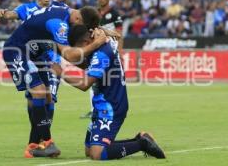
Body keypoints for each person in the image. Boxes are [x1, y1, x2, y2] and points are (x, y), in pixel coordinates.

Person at [2, 4, 105, 158]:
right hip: (17, 51)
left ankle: (34, 145)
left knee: (48, 97)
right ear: (78, 19)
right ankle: (48, 143)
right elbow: (69, 56)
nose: (80, 32)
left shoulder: (67, 12)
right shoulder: (60, 25)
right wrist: (97, 43)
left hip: (38, 53)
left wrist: (104, 32)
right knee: (39, 92)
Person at [51, 24, 166, 160]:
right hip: (101, 106)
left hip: (111, 107)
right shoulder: (99, 47)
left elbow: (84, 84)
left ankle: (142, 144)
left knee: (97, 153)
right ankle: (139, 139)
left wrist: (61, 72)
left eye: (78, 48)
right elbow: (86, 62)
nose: (78, 51)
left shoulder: (101, 53)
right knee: (89, 150)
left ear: (86, 42)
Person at [0, 0, 68, 157]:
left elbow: (77, 16)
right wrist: (3, 13)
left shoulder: (60, 8)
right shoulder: (27, 9)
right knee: (34, 98)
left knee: (48, 98)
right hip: (29, 57)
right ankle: (39, 142)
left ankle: (37, 143)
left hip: (50, 59)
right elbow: (11, 14)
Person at [81, 0, 124, 119]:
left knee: (110, 81)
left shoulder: (115, 14)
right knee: (94, 78)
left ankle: (113, 107)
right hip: (97, 49)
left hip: (111, 50)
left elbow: (119, 34)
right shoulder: (95, 13)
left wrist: (120, 53)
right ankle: (94, 108)